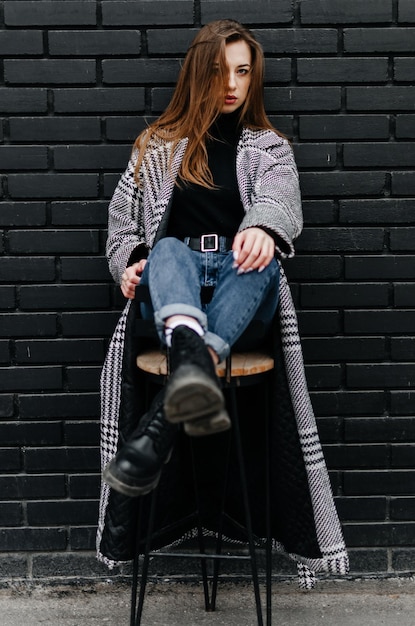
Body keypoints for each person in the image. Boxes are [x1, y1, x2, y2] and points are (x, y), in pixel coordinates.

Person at [97, 19, 348, 588]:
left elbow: (283, 205)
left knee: (260, 258)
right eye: (220, 71)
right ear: (198, 72)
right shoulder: (156, 147)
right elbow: (119, 232)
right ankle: (194, 368)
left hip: (241, 286)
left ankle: (177, 396)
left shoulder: (269, 148)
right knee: (166, 251)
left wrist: (263, 226)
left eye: (242, 72)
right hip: (172, 287)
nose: (232, 84)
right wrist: (130, 262)